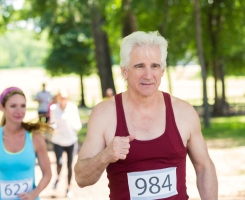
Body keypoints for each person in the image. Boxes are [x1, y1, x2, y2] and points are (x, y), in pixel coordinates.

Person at [74, 31, 218, 200]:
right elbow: (81, 178)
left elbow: (204, 167)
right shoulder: (104, 114)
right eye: (139, 66)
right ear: (125, 71)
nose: (148, 75)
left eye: (155, 66)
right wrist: (105, 156)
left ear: (162, 70)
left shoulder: (184, 112)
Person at [0, 87, 52, 200]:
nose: (19, 111)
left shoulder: (35, 138)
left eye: (23, 106)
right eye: (13, 106)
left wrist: (34, 194)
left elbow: (47, 173)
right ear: (2, 107)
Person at [49, 89, 82, 198]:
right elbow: (52, 123)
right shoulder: (54, 108)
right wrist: (52, 128)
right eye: (61, 97)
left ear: (68, 98)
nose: (63, 99)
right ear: (58, 97)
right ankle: (57, 178)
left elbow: (77, 124)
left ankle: (68, 188)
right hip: (58, 140)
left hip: (71, 140)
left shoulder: (72, 108)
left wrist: (74, 126)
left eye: (65, 97)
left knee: (69, 165)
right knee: (59, 162)